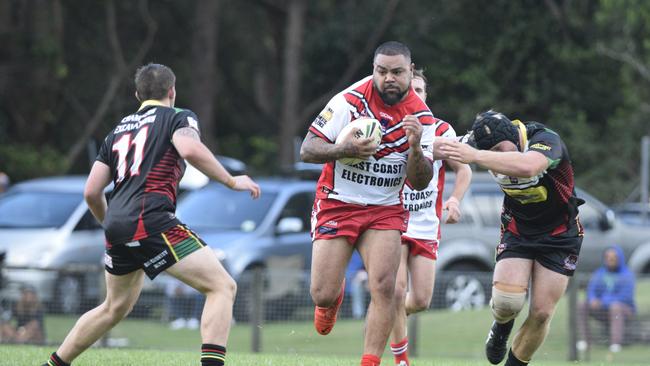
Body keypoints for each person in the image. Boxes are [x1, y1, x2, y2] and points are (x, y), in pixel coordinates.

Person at [42, 63, 260, 366]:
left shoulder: (117, 131)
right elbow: (190, 149)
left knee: (113, 307)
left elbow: (91, 192)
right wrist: (232, 180)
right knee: (222, 287)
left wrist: (111, 225)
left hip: (117, 226)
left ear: (137, 94)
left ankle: (52, 365)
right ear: (172, 91)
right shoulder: (178, 117)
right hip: (153, 221)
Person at [300, 41, 435, 366]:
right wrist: (342, 150)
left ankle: (370, 362)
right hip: (338, 203)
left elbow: (420, 180)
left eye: (397, 72)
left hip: (385, 210)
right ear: (374, 70)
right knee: (322, 292)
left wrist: (415, 147)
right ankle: (330, 300)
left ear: (410, 72)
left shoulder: (422, 117)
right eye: (382, 71)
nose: (389, 78)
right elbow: (307, 149)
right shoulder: (349, 101)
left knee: (385, 287)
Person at [438, 110, 585, 366]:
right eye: (491, 150)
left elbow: (529, 167)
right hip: (519, 228)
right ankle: (500, 329)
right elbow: (438, 146)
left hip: (560, 233)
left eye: (500, 148)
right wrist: (453, 197)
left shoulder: (545, 139)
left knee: (540, 313)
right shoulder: (475, 143)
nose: (498, 155)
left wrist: (476, 156)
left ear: (514, 137)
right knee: (507, 303)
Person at [389, 69, 472, 366]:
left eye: (420, 90)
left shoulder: (441, 130)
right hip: (392, 219)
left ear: (426, 95)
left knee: (421, 300)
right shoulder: (387, 127)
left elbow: (464, 170)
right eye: (410, 89)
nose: (415, 94)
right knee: (396, 291)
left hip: (426, 222)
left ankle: (384, 313)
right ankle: (401, 359)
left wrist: (454, 199)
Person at [577, 245, 636, 353]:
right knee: (582, 305)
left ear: (619, 259)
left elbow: (625, 297)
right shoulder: (599, 273)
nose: (610, 260)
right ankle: (585, 341)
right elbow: (591, 290)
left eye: (613, 258)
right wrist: (593, 299)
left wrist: (603, 301)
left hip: (624, 310)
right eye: (608, 258)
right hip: (601, 310)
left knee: (615, 307)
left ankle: (615, 344)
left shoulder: (627, 275)